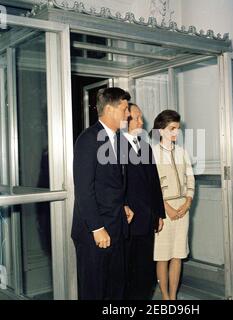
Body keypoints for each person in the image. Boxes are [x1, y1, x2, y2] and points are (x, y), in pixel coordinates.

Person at [71, 87, 134, 300]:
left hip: (116, 226)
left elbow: (113, 183)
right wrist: (97, 228)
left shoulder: (119, 140)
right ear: (109, 109)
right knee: (94, 291)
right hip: (94, 232)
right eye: (125, 109)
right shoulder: (87, 139)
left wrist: (123, 204)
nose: (129, 114)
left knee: (116, 288)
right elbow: (83, 189)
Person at [120, 103, 165, 300]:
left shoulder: (145, 146)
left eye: (140, 117)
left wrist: (159, 214)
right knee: (128, 273)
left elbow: (153, 182)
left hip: (147, 220)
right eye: (137, 117)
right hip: (129, 223)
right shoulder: (115, 146)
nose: (142, 121)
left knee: (146, 272)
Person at [151, 110, 195, 300]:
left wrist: (188, 202)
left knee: (178, 255)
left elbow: (191, 179)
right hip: (163, 209)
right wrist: (166, 208)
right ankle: (165, 296)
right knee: (162, 255)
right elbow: (151, 186)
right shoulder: (151, 153)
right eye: (172, 129)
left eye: (178, 129)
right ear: (161, 130)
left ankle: (174, 297)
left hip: (182, 208)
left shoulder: (182, 152)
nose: (176, 133)